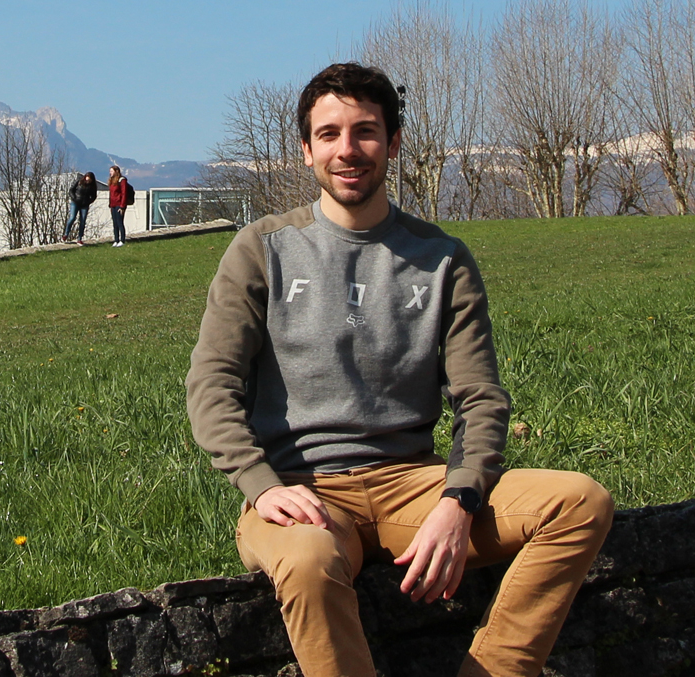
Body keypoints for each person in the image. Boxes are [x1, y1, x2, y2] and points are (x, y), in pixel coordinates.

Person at [184, 63, 613, 677]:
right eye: (329, 134)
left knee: (580, 502)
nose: (348, 149)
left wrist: (459, 499)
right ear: (306, 150)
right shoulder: (263, 249)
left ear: (394, 142)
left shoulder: (443, 260)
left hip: (414, 484)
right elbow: (211, 384)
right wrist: (262, 485)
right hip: (303, 494)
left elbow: (481, 398)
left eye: (365, 131)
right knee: (306, 562)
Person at [64, 172, 98, 244]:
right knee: (72, 218)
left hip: (84, 205)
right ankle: (66, 234)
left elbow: (94, 196)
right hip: (75, 203)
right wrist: (74, 198)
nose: (87, 181)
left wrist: (88, 202)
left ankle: (79, 238)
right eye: (87, 179)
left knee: (82, 221)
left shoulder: (92, 186)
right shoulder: (79, 182)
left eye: (89, 180)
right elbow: (71, 190)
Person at [107, 166, 133, 247]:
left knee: (119, 222)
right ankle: (116, 240)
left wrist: (122, 206)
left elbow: (124, 193)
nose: (110, 172)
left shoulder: (122, 180)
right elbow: (111, 194)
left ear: (116, 171)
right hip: (113, 204)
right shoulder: (111, 181)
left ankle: (122, 240)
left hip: (119, 204)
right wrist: (110, 205)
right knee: (115, 223)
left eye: (111, 171)